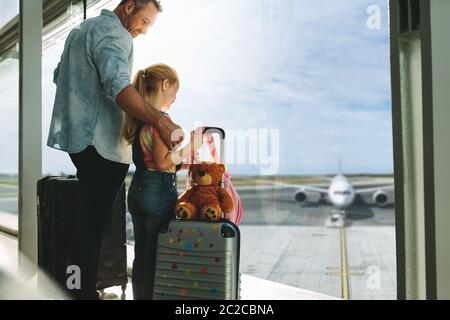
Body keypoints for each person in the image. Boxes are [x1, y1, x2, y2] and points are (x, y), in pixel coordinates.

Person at [47, 0, 184, 300]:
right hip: (103, 146)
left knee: (86, 223)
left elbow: (59, 76)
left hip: (78, 140)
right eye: (145, 22)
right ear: (129, 6)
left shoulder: (80, 31)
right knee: (93, 228)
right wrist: (160, 120)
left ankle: (74, 289)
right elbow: (119, 86)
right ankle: (82, 294)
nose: (144, 31)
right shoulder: (115, 34)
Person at [123, 64, 204, 300]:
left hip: (138, 188)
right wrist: (191, 147)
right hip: (157, 191)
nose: (176, 98)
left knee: (142, 255)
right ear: (165, 85)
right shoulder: (161, 120)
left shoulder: (140, 117)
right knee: (156, 257)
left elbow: (151, 159)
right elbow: (161, 162)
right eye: (175, 92)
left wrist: (183, 163)